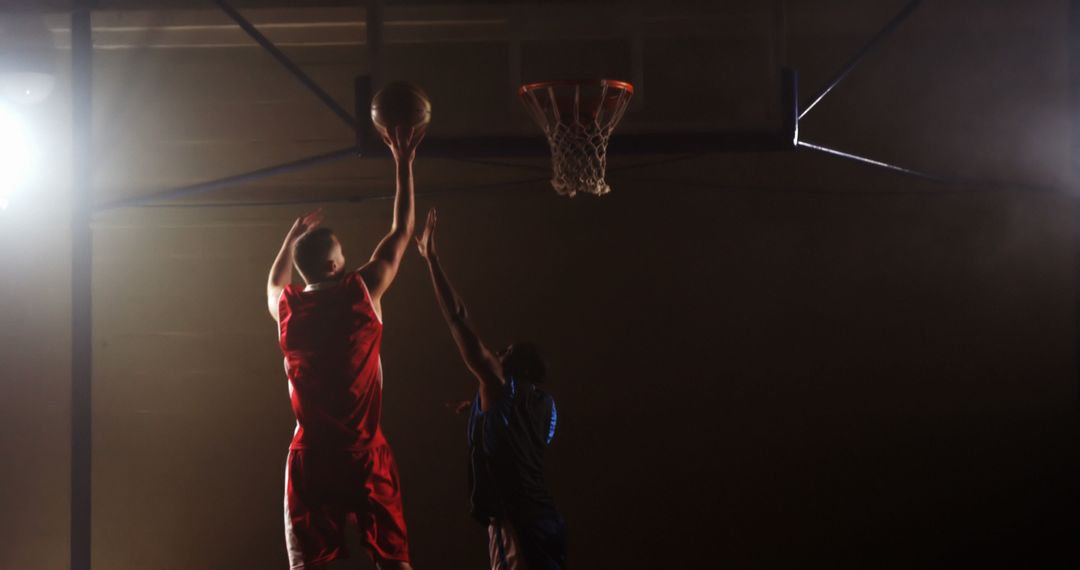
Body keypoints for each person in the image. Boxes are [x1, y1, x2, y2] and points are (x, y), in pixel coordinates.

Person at [265, 126, 424, 569]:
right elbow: (402, 230)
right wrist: (403, 162)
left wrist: (288, 241)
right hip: (362, 453)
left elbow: (274, 281)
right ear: (337, 264)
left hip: (312, 456)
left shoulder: (288, 309)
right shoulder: (362, 293)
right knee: (393, 561)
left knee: (311, 564)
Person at [415, 208, 566, 569]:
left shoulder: (500, 384)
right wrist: (476, 407)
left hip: (516, 523)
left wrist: (432, 260)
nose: (498, 351)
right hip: (548, 522)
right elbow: (517, 429)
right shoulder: (547, 407)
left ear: (520, 367)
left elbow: (458, 317)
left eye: (506, 352)